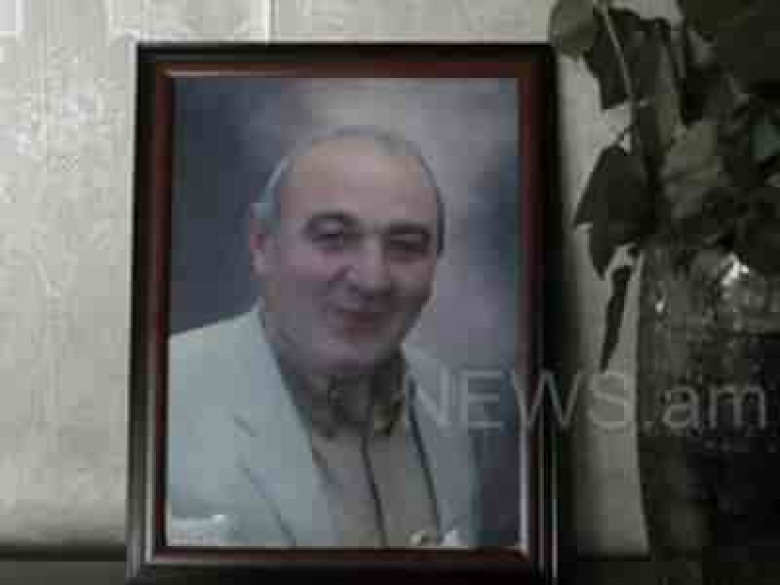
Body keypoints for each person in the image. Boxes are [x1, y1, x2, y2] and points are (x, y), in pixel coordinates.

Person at [166, 126, 480, 548]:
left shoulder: (451, 403)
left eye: (406, 245)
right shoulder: (159, 393)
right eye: (333, 238)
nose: (372, 280)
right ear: (261, 243)